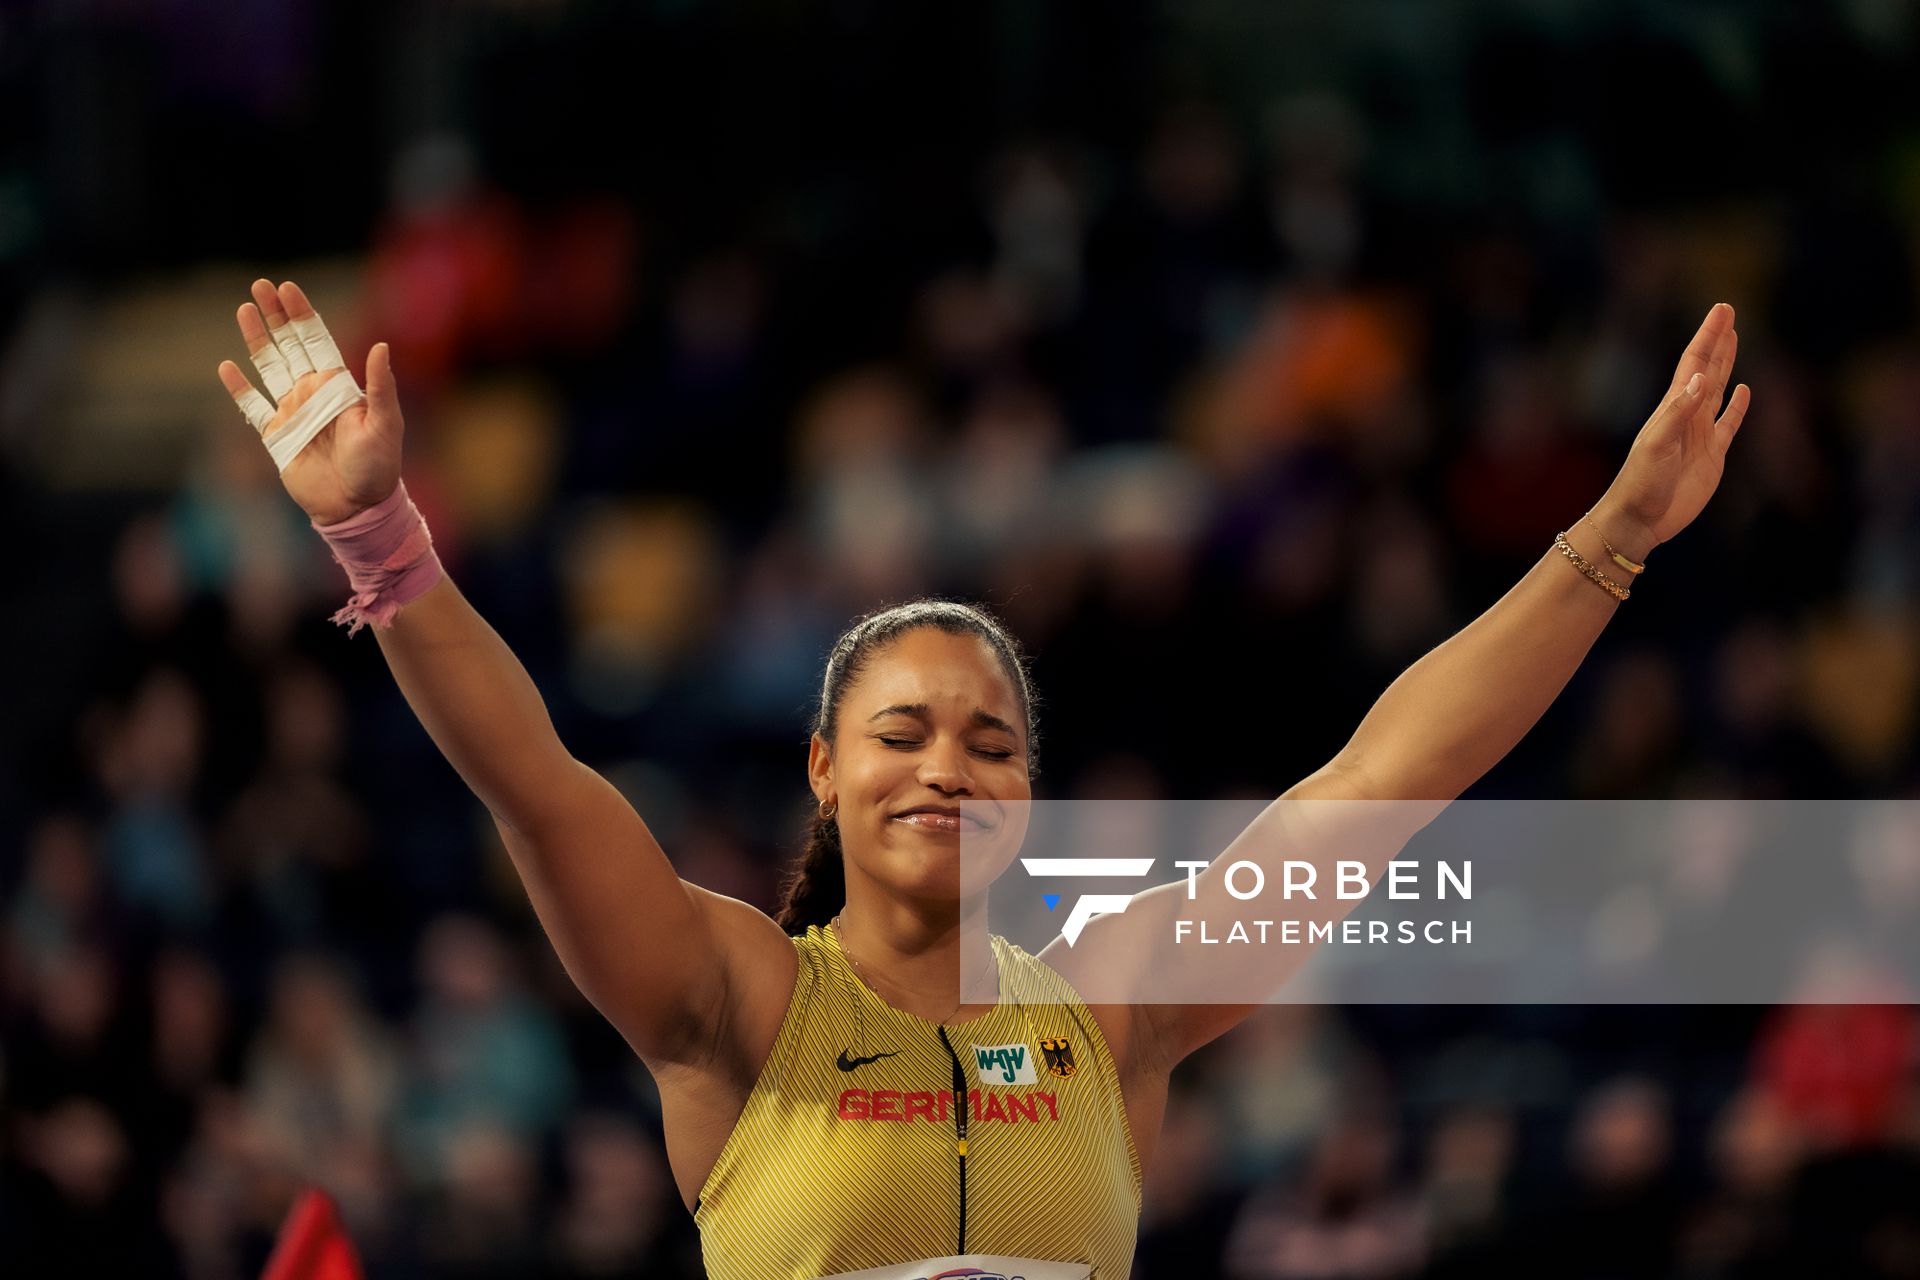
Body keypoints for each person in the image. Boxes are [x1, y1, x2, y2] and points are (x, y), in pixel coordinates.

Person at [217, 278, 1751, 1278]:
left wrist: (1610, 538)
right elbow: (538, 784)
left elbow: (1384, 776)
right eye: (899, 734)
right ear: (824, 770)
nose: (947, 769)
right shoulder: (736, 1004)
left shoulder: (1113, 1008)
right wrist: (380, 542)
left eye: (991, 741)